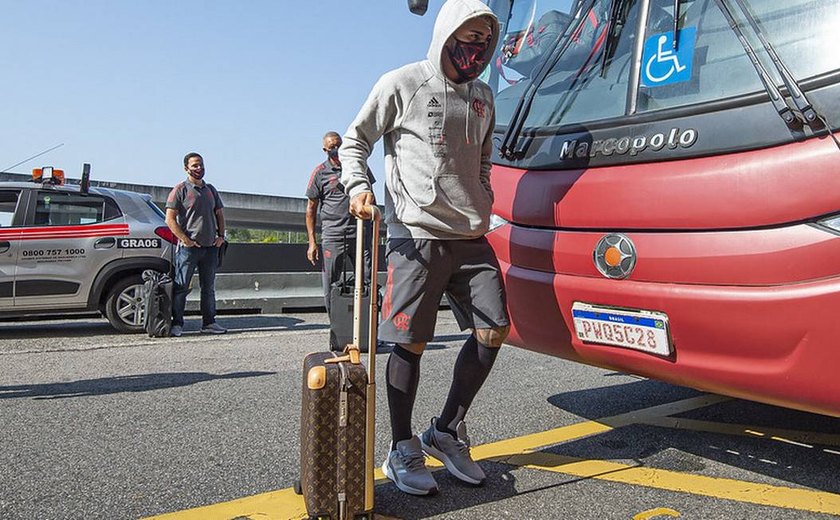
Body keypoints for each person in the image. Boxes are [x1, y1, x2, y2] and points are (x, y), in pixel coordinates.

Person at [339, 0, 509, 497]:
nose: (475, 50)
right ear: (445, 33)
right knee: (410, 342)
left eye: (484, 42)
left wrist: (483, 194)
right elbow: (356, 139)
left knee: (494, 330)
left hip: (471, 234)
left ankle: (446, 431)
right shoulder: (402, 83)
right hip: (415, 234)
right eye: (467, 37)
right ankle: (401, 447)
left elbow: (483, 157)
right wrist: (357, 186)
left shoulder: (484, 96)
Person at [305, 131, 375, 319]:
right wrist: (312, 243)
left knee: (367, 281)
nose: (336, 150)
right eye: (332, 148)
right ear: (325, 150)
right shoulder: (320, 172)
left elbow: (371, 197)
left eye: (338, 145)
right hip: (333, 236)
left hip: (360, 234)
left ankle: (367, 329)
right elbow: (311, 210)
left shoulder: (359, 168)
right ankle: (337, 327)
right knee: (331, 283)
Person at [165, 152, 227, 337]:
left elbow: (220, 214)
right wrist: (185, 239)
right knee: (181, 287)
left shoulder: (211, 190)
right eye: (194, 166)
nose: (199, 168)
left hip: (210, 248)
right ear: (186, 169)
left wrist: (220, 236)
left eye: (201, 165)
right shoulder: (180, 190)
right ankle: (177, 324)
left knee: (208, 288)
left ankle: (209, 322)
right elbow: (170, 219)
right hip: (188, 250)